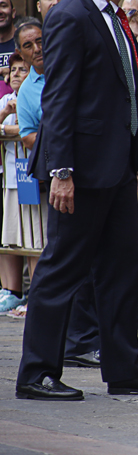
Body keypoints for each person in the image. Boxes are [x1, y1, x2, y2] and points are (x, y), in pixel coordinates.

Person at [16, 0, 138, 400]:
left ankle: (124, 368)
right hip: (82, 170)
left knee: (123, 268)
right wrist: (62, 171)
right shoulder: (71, 15)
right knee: (62, 269)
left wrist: (133, 153)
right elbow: (60, 98)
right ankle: (37, 373)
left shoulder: (112, 15)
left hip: (116, 167)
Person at [0, 54, 34, 312]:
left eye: (23, 69)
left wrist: (6, 130)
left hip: (32, 177)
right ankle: (11, 291)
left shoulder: (34, 96)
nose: (16, 74)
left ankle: (36, 292)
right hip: (10, 176)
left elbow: (30, 129)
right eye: (13, 70)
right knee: (11, 237)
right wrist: (5, 114)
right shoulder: (5, 101)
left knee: (34, 238)